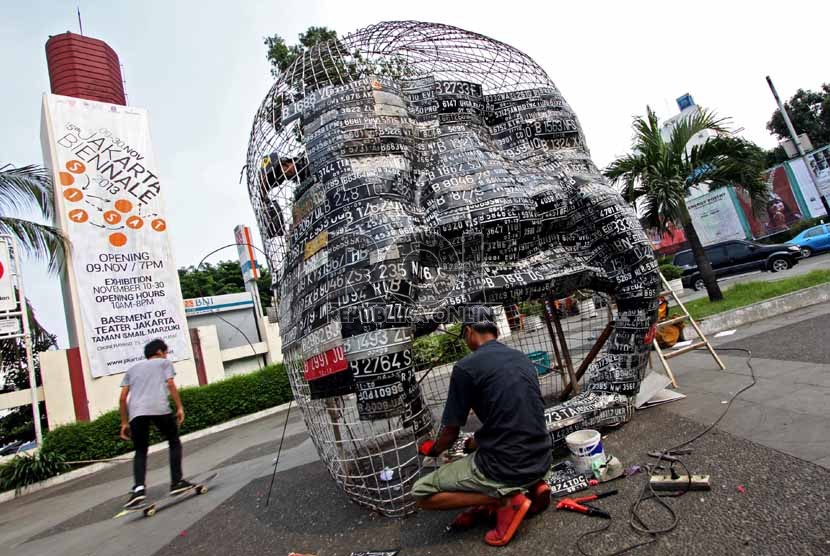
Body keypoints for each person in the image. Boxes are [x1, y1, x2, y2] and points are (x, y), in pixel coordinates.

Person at [412, 306, 553, 546]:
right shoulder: (522, 358)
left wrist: (432, 450)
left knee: (422, 493)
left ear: (468, 332)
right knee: (478, 450)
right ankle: (535, 484)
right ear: (494, 330)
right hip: (541, 458)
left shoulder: (466, 367)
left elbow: (449, 433)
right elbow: (512, 416)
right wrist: (476, 442)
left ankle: (503, 499)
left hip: (507, 466)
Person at [119, 339, 192, 508]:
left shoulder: (132, 369)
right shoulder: (164, 363)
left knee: (140, 451)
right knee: (174, 441)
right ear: (160, 352)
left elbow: (123, 398)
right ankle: (176, 482)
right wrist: (180, 407)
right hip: (158, 407)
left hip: (136, 413)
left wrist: (124, 422)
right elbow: (171, 383)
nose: (166, 355)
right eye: (166, 352)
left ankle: (138, 489)